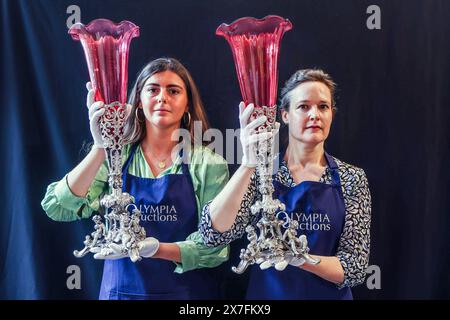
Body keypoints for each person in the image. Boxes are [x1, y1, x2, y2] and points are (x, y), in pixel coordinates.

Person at [41, 58, 229, 300]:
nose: (162, 97)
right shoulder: (114, 158)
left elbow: (216, 247)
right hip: (120, 293)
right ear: (139, 101)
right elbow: (58, 206)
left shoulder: (209, 164)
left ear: (187, 105)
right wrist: (101, 147)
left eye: (173, 91)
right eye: (153, 89)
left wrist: (157, 250)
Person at [199, 69, 372, 300]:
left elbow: (355, 267)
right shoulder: (262, 173)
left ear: (332, 114)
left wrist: (299, 258)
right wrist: (248, 165)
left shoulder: (352, 178)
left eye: (323, 106)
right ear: (285, 115)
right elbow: (213, 234)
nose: (315, 115)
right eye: (303, 106)